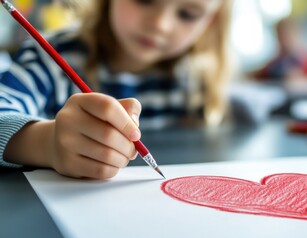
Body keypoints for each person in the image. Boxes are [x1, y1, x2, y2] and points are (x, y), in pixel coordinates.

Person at [0, 0, 233, 179]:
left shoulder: (195, 77)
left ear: (210, 21)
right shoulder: (50, 57)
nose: (160, 24)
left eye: (187, 14)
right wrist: (47, 143)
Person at [252, 16, 307, 82]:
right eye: (279, 37)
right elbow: (260, 75)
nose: (283, 41)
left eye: (286, 36)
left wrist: (300, 80)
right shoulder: (277, 62)